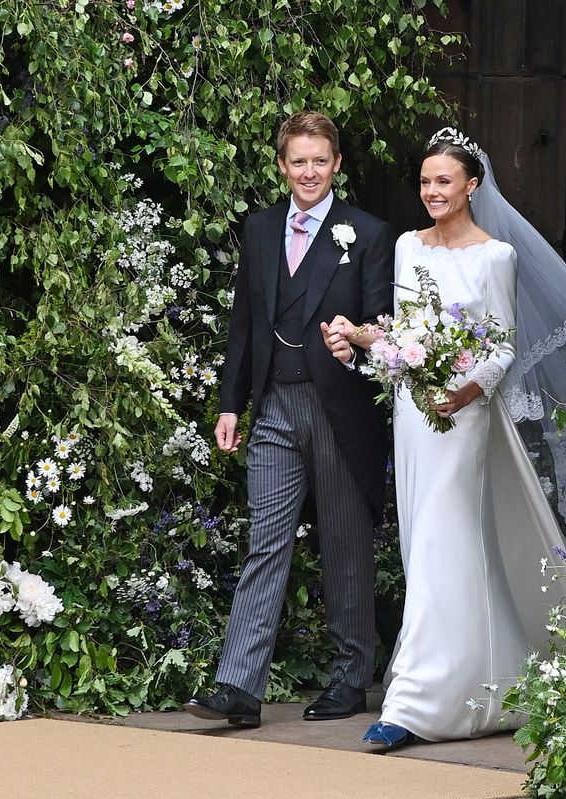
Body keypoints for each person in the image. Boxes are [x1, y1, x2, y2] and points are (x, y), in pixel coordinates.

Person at [326, 128, 566, 747]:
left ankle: (415, 704)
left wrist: (460, 394)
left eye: (444, 181)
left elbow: (499, 348)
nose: (432, 191)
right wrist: (364, 339)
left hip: (461, 416)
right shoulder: (409, 248)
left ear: (472, 185)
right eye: (424, 181)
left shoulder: (497, 255)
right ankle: (483, 686)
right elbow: (407, 333)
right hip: (414, 415)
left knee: (444, 539)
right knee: (425, 547)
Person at [185, 111, 395, 728]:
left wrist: (355, 339)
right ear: (282, 165)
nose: (309, 172)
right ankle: (239, 690)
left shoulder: (370, 233)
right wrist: (230, 403)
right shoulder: (259, 228)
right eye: (298, 161)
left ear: (337, 166)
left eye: (320, 161)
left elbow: (386, 325)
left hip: (339, 410)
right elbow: (244, 324)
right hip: (274, 404)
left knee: (345, 544)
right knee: (265, 543)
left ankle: (353, 677)